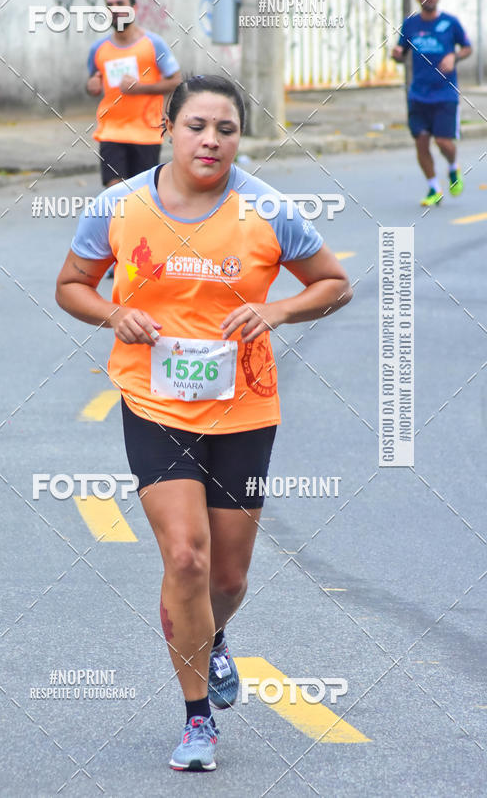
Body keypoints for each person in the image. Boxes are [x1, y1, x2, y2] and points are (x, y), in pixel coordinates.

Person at [56, 74, 352, 772]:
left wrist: (276, 311)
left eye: (226, 128)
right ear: (168, 129)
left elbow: (333, 281)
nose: (211, 140)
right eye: (197, 126)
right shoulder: (118, 208)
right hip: (153, 401)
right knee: (185, 557)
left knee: (228, 574)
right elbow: (72, 283)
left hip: (245, 406)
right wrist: (113, 312)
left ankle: (212, 635)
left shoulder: (269, 210)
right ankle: (196, 721)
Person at [85, 0, 182, 188]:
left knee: (142, 197)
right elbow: (93, 83)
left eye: (120, 3)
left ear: (134, 9)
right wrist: (91, 86)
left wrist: (140, 88)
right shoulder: (98, 49)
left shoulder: (153, 44)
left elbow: (176, 81)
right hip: (111, 131)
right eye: (109, 5)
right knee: (115, 192)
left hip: (146, 133)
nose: (115, 9)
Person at [392, 0, 472, 207]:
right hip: (418, 95)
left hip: (445, 94)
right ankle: (434, 188)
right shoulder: (411, 25)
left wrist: (454, 56)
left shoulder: (450, 23)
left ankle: (453, 167)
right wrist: (396, 54)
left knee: (444, 142)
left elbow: (467, 48)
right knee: (422, 143)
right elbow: (401, 53)